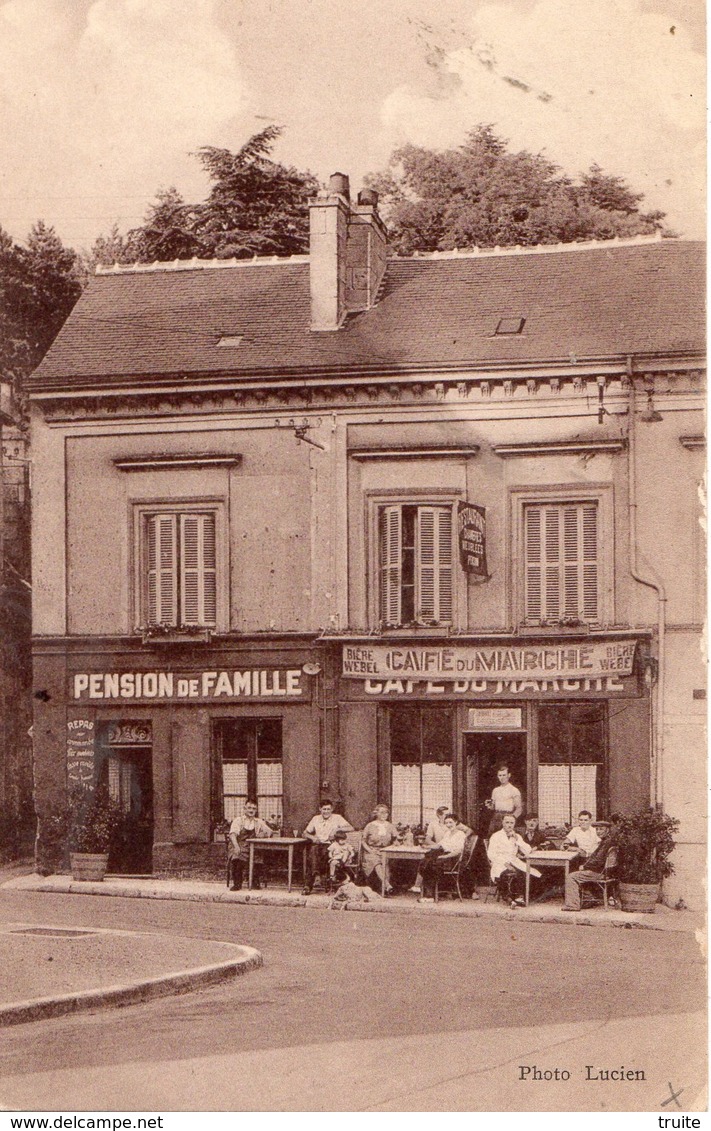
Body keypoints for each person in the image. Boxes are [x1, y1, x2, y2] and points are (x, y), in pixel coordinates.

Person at [562, 815, 621, 911]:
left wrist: (585, 866)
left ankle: (573, 905)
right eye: (597, 830)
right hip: (606, 872)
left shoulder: (606, 842)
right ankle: (588, 899)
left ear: (607, 830)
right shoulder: (606, 841)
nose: (598, 832)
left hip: (600, 873)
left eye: (601, 829)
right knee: (577, 873)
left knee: (571, 876)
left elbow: (598, 860)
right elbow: (595, 856)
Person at [301, 799, 352, 894]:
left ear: (332, 809)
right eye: (324, 809)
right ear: (320, 809)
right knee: (313, 851)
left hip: (331, 845)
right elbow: (305, 833)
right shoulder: (316, 819)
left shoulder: (337, 818)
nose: (326, 811)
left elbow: (351, 828)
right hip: (318, 844)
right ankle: (315, 878)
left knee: (316, 854)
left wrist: (337, 829)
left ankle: (310, 883)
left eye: (328, 809)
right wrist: (312, 837)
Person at [487, 813, 539, 906]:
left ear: (514, 824)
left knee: (530, 873)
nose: (509, 825)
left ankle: (519, 897)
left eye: (512, 823)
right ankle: (510, 897)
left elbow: (528, 850)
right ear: (502, 823)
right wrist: (504, 863)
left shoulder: (517, 836)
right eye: (507, 822)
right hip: (500, 863)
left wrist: (517, 839)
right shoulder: (496, 836)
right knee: (508, 873)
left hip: (514, 861)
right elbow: (491, 854)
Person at [418, 813, 467, 902]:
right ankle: (428, 894)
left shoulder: (461, 834)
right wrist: (427, 846)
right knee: (425, 863)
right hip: (444, 856)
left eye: (450, 822)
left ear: (456, 822)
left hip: (452, 859)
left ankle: (430, 896)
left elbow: (458, 851)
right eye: (446, 823)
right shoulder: (447, 833)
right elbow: (439, 846)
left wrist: (445, 856)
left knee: (431, 865)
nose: (448, 825)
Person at [227, 800, 273, 891]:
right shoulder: (238, 820)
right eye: (249, 808)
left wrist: (263, 834)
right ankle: (237, 883)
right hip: (238, 844)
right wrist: (236, 847)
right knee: (237, 857)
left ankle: (254, 882)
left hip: (252, 847)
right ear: (244, 809)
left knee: (258, 857)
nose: (251, 810)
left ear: (256, 810)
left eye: (254, 808)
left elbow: (270, 832)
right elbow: (232, 835)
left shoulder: (258, 822)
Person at [361, 804, 399, 894]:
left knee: (385, 864)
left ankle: (385, 889)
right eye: (382, 812)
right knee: (377, 862)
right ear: (376, 813)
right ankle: (387, 885)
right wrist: (370, 851)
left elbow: (396, 839)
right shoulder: (370, 825)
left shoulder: (390, 826)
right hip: (371, 851)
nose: (384, 815)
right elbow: (363, 841)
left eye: (386, 813)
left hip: (385, 851)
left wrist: (395, 843)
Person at [485, 765, 523, 835]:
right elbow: (492, 807)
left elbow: (519, 809)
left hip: (507, 816)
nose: (502, 778)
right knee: (492, 837)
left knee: (505, 838)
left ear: (509, 775)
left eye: (504, 775)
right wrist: (489, 805)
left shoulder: (514, 790)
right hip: (496, 817)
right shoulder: (495, 790)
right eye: (500, 775)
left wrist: (511, 819)